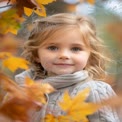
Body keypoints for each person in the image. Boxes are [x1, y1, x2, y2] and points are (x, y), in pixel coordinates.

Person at [15, 13, 120, 122]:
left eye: (75, 49)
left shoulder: (95, 90)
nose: (64, 55)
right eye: (53, 47)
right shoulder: (20, 89)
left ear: (90, 56)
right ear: (36, 54)